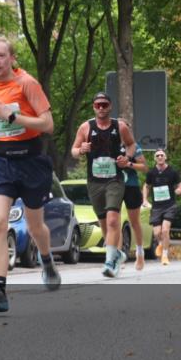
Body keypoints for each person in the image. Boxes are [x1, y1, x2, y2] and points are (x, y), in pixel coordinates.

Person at [0, 36, 60, 313]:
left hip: (31, 159)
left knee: (36, 226)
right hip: (1, 160)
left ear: (12, 58)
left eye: (1, 56)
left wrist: (13, 117)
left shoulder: (27, 83)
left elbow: (48, 124)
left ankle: (46, 260)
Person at [71, 93, 138, 278]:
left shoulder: (120, 126)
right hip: (94, 182)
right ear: (94, 107)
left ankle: (109, 262)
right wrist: (81, 150)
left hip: (114, 180)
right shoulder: (85, 127)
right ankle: (117, 254)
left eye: (104, 105)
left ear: (110, 106)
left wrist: (127, 158)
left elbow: (132, 145)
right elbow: (74, 150)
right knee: (104, 224)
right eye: (98, 105)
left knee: (113, 220)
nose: (101, 108)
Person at [142, 149, 181, 265]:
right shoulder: (151, 173)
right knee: (157, 233)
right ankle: (161, 244)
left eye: (162, 155)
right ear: (155, 158)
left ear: (165, 157)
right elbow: (146, 186)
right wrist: (145, 200)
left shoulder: (172, 172)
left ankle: (165, 256)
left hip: (169, 205)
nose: (160, 157)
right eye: (157, 155)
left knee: (165, 230)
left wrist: (179, 190)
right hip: (156, 207)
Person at [120, 137, 149, 270]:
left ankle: (140, 252)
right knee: (114, 222)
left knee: (134, 222)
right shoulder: (109, 143)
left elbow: (144, 167)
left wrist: (129, 164)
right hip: (114, 186)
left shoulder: (134, 146)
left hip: (131, 186)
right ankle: (118, 256)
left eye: (123, 129)